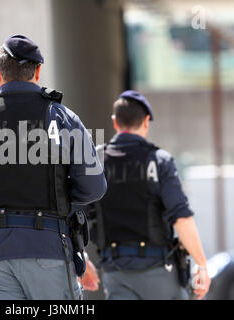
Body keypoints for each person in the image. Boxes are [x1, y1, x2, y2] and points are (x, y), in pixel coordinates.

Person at [0, 34, 105, 300]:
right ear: (37, 72)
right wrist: (60, 202)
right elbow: (94, 188)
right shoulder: (63, 119)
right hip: (49, 250)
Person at [89, 90, 210, 300]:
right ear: (146, 122)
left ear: (115, 122)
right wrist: (201, 265)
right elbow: (181, 217)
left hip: (115, 272)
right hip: (158, 273)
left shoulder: (96, 161)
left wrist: (80, 260)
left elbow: (74, 213)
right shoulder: (160, 161)